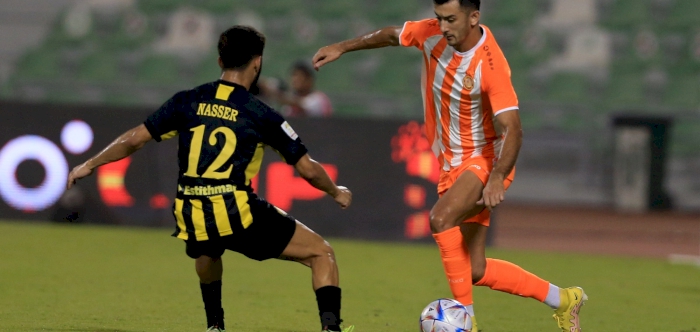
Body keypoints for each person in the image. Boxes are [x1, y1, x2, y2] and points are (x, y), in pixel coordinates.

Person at [312, 1, 586, 331]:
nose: (443, 26)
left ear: (473, 17)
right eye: (440, 18)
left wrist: (497, 176)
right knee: (474, 270)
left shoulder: (491, 65)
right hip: (450, 164)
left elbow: (513, 128)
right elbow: (389, 35)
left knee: (441, 218)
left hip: (484, 161)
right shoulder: (431, 33)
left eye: (451, 19)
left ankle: (466, 323)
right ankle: (564, 299)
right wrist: (342, 46)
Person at [67, 25, 354, 332]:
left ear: (220, 61)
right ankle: (330, 329)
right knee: (321, 252)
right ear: (257, 63)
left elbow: (135, 138)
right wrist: (336, 192)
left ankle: (214, 325)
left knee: (207, 246)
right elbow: (307, 169)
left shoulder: (187, 100)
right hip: (238, 211)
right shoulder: (261, 113)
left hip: (192, 209)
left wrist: (90, 164)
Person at [261, 60, 333, 117]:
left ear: (309, 80)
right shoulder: (288, 107)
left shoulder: (318, 99)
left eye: (299, 76)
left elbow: (301, 105)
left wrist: (274, 92)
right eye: (293, 75)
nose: (295, 80)